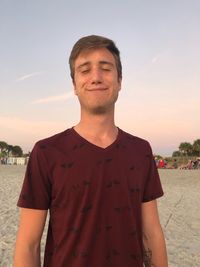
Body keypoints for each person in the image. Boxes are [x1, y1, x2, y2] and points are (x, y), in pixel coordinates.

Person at [14, 35, 168, 267]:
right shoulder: (46, 152)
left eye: (106, 68)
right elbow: (29, 244)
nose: (96, 77)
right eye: (84, 70)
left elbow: (151, 234)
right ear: (74, 85)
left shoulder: (141, 151)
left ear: (119, 80)